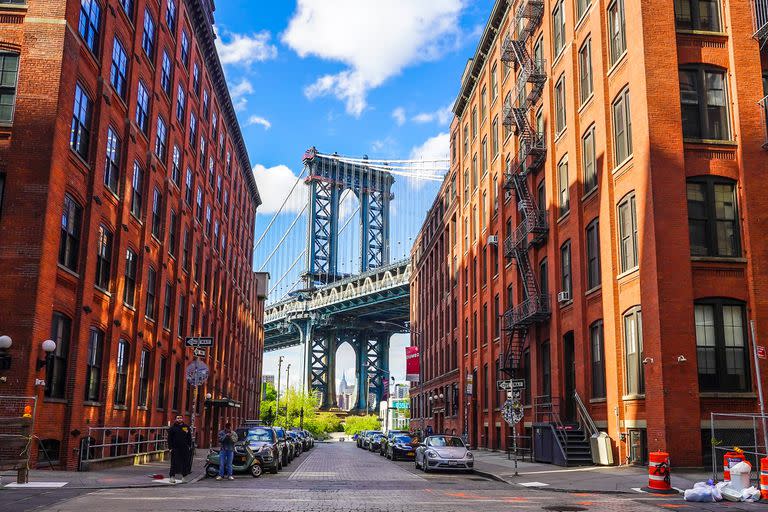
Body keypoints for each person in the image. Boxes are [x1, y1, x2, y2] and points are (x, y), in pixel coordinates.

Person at [167, 415, 193, 483]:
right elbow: (169, 439)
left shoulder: (186, 427)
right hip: (175, 448)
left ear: (182, 419)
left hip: (184, 448)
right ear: (176, 419)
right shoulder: (172, 428)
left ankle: (184, 477)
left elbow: (189, 437)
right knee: (174, 463)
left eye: (180, 418)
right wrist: (170, 448)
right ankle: (172, 477)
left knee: (185, 463)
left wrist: (189, 446)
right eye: (178, 418)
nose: (179, 419)